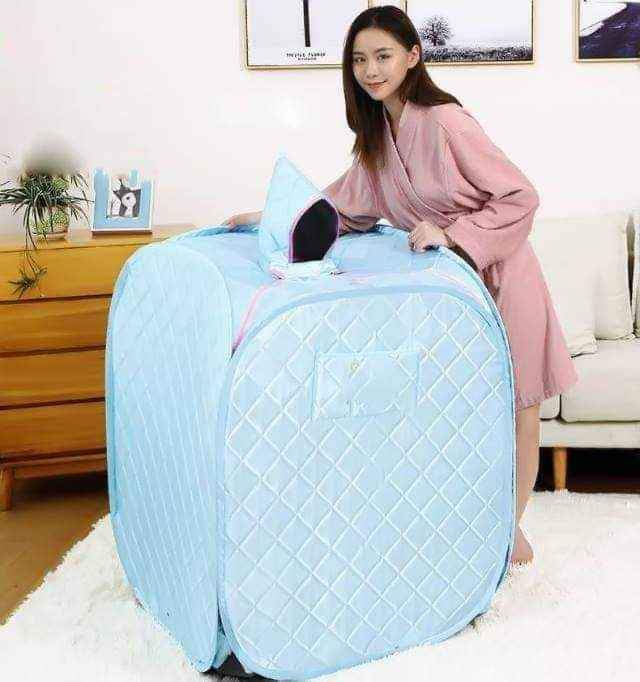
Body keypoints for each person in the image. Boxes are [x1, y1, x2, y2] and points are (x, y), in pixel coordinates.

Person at [222, 5, 579, 565]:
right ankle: (469, 528)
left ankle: (509, 534)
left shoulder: (447, 122)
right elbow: (341, 207)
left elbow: (520, 196)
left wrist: (452, 233)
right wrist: (270, 216)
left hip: (502, 277)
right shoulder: (377, 140)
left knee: (516, 407)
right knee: (461, 408)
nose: (371, 70)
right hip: (448, 293)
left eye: (383, 55)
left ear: (413, 56)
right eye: (359, 59)